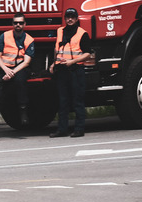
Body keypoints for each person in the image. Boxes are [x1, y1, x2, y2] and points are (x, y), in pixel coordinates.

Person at [0, 13, 34, 142]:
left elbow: (27, 62)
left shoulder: (29, 39)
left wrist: (12, 72)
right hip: (3, 68)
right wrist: (6, 70)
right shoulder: (4, 36)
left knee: (20, 81)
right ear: (12, 24)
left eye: (21, 23)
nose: (18, 25)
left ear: (25, 24)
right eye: (15, 23)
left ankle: (23, 111)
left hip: (20, 68)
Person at [49, 8, 91, 138]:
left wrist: (73, 62)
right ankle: (62, 130)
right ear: (65, 18)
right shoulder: (60, 31)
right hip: (62, 70)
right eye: (68, 17)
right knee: (63, 101)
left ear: (77, 18)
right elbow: (57, 49)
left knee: (77, 101)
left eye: (72, 17)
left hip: (75, 70)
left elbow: (88, 54)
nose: (70, 19)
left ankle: (79, 129)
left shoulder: (82, 33)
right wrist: (53, 63)